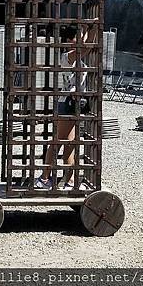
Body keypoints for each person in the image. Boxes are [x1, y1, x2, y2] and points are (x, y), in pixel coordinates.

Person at [35, 23, 95, 190]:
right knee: (59, 142)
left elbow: (86, 46)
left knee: (69, 144)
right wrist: (91, 29)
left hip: (73, 104)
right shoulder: (68, 56)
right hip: (66, 103)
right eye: (78, 36)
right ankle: (45, 178)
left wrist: (91, 28)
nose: (81, 39)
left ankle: (69, 181)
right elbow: (86, 47)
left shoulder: (76, 56)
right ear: (70, 40)